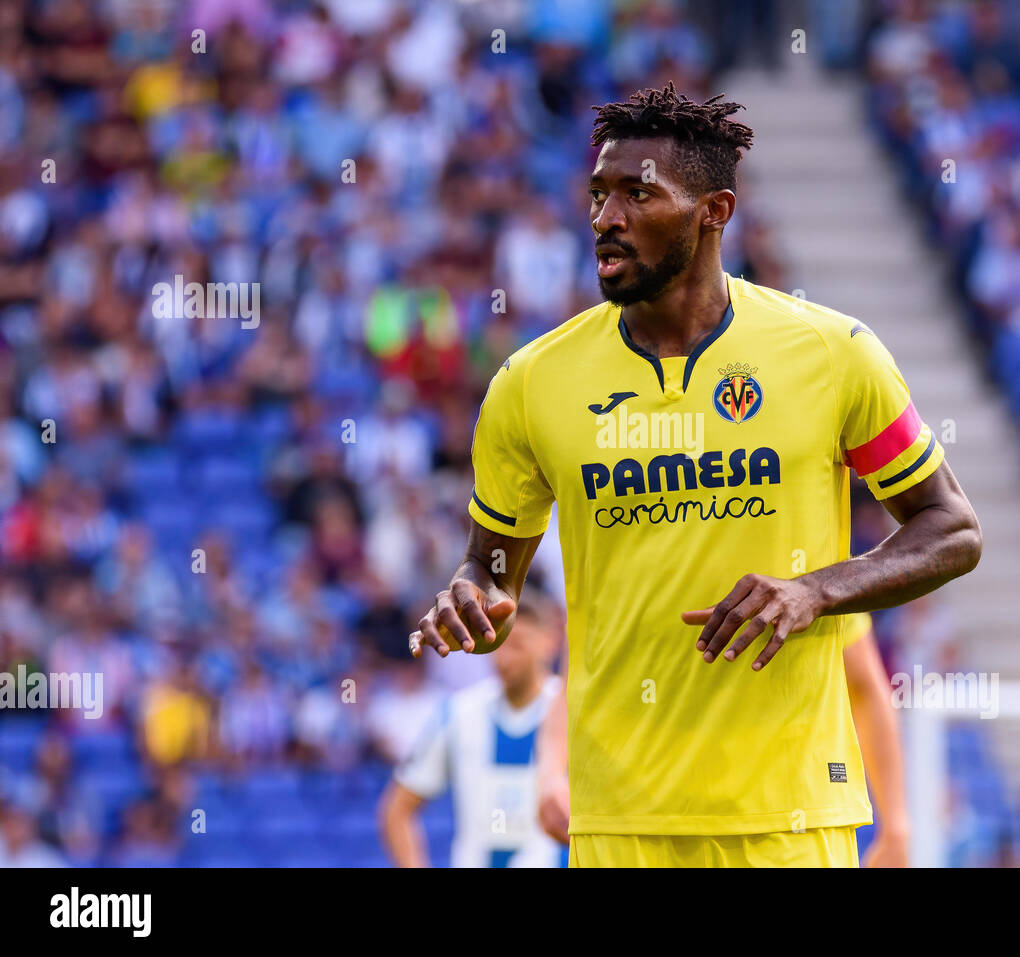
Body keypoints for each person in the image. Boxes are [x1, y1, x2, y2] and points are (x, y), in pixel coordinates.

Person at [411, 84, 981, 867]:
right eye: (597, 194)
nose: (605, 218)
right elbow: (492, 567)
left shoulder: (832, 354)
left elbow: (951, 528)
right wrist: (475, 597)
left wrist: (816, 590)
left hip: (789, 816)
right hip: (615, 821)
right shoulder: (530, 383)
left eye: (637, 193)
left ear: (715, 211)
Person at [536, 612, 911, 867]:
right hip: (630, 825)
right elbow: (580, 679)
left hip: (779, 829)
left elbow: (864, 688)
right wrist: (551, 773)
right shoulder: (608, 540)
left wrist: (895, 826)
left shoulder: (799, 538)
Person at [380, 588, 565, 868]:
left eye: (518, 645)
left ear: (548, 641)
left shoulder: (571, 712)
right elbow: (396, 812)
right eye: (497, 644)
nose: (505, 657)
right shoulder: (459, 713)